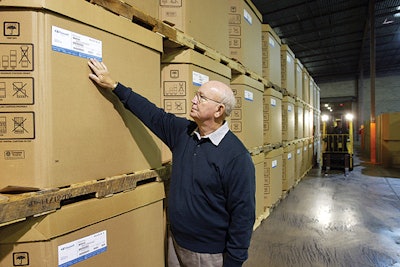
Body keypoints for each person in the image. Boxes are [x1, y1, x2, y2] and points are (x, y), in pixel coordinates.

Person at [87, 58, 256, 267]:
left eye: (201, 97)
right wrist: (114, 86)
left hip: (208, 255)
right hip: (175, 243)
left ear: (219, 110)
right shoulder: (183, 133)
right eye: (196, 94)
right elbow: (152, 114)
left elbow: (243, 214)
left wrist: (234, 262)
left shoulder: (236, 156)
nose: (194, 100)